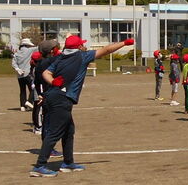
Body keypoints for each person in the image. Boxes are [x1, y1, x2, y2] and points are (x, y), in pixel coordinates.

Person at [30, 34, 133, 177]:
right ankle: (40, 166)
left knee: (68, 131)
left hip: (53, 96)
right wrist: (124, 43)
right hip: (62, 99)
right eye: (82, 44)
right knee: (54, 133)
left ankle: (68, 162)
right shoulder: (82, 56)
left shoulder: (61, 57)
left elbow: (46, 73)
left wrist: (53, 82)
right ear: (78, 47)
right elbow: (107, 50)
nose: (84, 45)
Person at [12, 37, 38, 111]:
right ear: (27, 45)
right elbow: (40, 48)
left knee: (22, 90)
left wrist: (18, 69)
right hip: (28, 74)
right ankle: (29, 102)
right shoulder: (30, 50)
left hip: (19, 75)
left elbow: (14, 63)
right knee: (33, 88)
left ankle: (22, 106)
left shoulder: (16, 53)